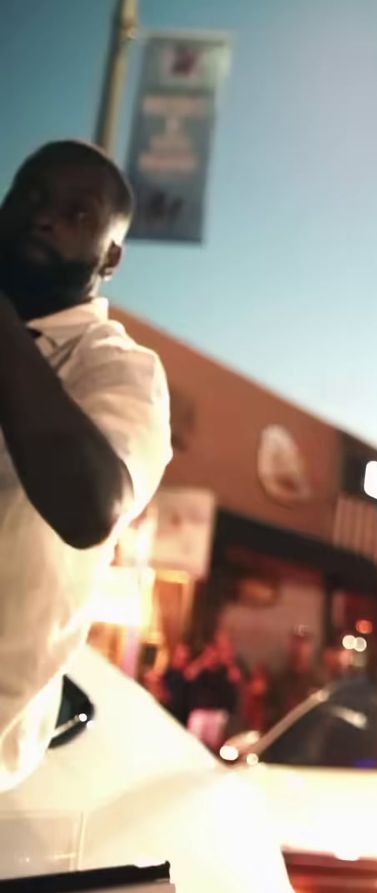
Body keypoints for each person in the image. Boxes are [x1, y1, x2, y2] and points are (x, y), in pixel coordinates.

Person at [0, 141, 172, 792]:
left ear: (111, 257)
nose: (45, 217)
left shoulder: (118, 369)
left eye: (77, 211)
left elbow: (90, 505)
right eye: (30, 197)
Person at [186, 633, 242, 750]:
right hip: (200, 712)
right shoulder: (202, 666)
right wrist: (203, 660)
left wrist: (229, 661)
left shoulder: (225, 668)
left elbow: (236, 678)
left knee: (212, 746)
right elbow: (189, 675)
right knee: (192, 743)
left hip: (217, 713)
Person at [159, 642, 194, 726]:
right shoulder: (168, 673)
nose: (179, 660)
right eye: (178, 657)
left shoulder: (186, 678)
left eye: (184, 659)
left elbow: (170, 699)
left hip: (178, 720)